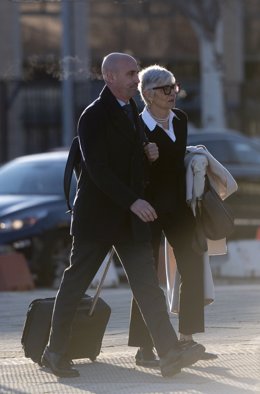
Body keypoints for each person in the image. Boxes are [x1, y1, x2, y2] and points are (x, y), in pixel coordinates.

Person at [41, 53, 205, 378]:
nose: (136, 78)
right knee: (75, 285)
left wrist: (149, 155)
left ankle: (169, 352)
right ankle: (54, 352)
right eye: (131, 73)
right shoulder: (92, 116)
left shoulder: (130, 109)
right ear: (110, 77)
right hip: (98, 219)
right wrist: (134, 201)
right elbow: (98, 171)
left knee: (148, 287)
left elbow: (132, 165)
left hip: (129, 221)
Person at [128, 64, 214, 366]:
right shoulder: (136, 126)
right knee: (147, 277)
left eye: (174, 86)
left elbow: (177, 160)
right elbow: (131, 171)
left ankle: (187, 338)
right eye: (166, 88)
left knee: (193, 266)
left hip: (178, 208)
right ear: (149, 94)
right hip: (148, 210)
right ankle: (144, 348)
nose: (173, 93)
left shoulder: (180, 119)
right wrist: (144, 155)